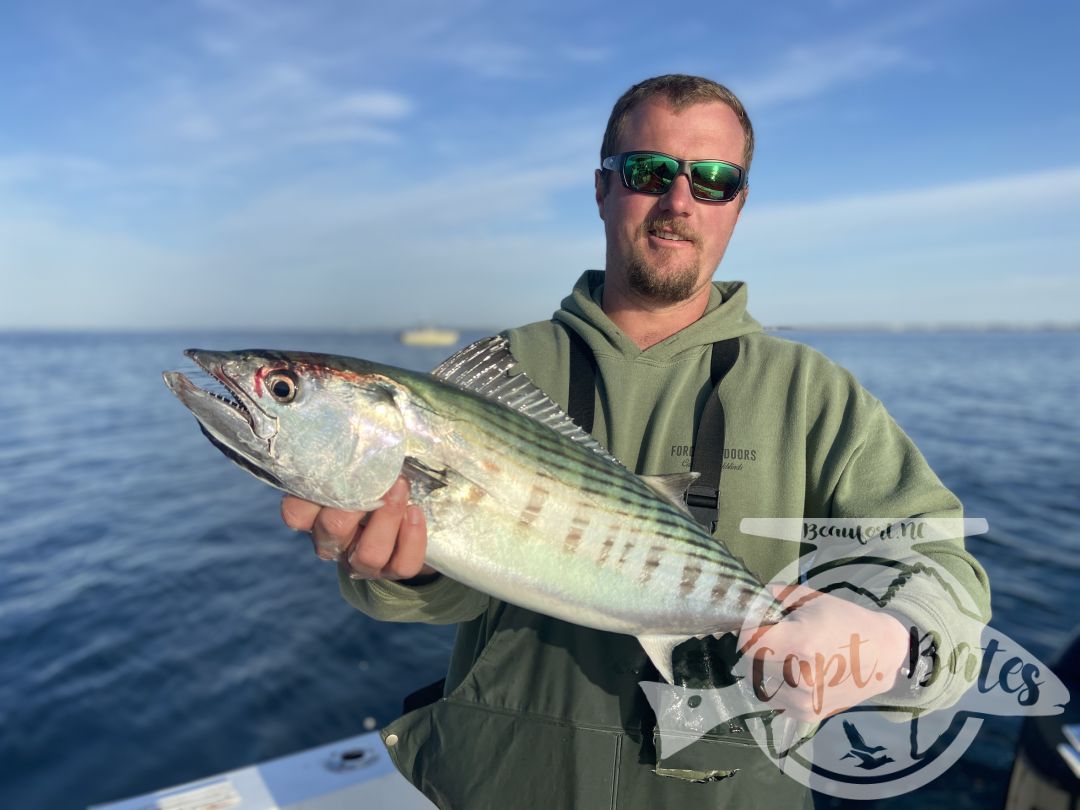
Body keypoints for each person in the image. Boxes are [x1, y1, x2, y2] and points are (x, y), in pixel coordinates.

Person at [282, 75, 990, 808]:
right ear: (602, 188)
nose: (679, 200)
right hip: (499, 784)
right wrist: (409, 574)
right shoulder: (501, 372)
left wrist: (896, 639)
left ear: (738, 205)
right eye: (649, 171)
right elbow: (440, 591)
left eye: (714, 180)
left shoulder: (809, 391)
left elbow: (940, 561)